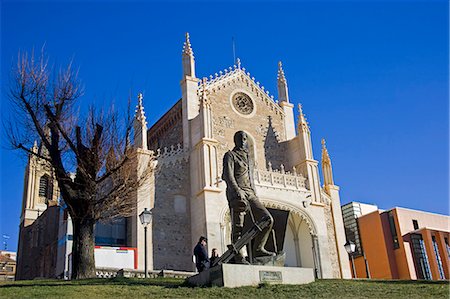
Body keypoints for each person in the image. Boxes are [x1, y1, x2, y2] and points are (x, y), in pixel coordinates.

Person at [222, 131, 275, 263]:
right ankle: (239, 256)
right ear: (236, 140)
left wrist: (255, 193)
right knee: (238, 226)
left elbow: (250, 178)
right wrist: (236, 190)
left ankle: (258, 248)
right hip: (237, 193)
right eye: (241, 138)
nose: (244, 141)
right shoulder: (230, 155)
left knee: (268, 219)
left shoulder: (249, 158)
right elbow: (227, 176)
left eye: (245, 138)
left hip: (251, 193)